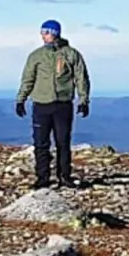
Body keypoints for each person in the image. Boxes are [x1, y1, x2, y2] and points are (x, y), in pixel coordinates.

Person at [15, 20, 91, 189]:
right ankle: (42, 178)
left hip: (63, 104)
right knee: (41, 143)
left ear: (55, 33)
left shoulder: (71, 54)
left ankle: (64, 176)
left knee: (63, 142)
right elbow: (28, 79)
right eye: (42, 32)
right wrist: (21, 99)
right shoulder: (36, 56)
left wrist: (83, 100)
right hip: (41, 104)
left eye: (46, 32)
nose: (43, 35)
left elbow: (81, 78)